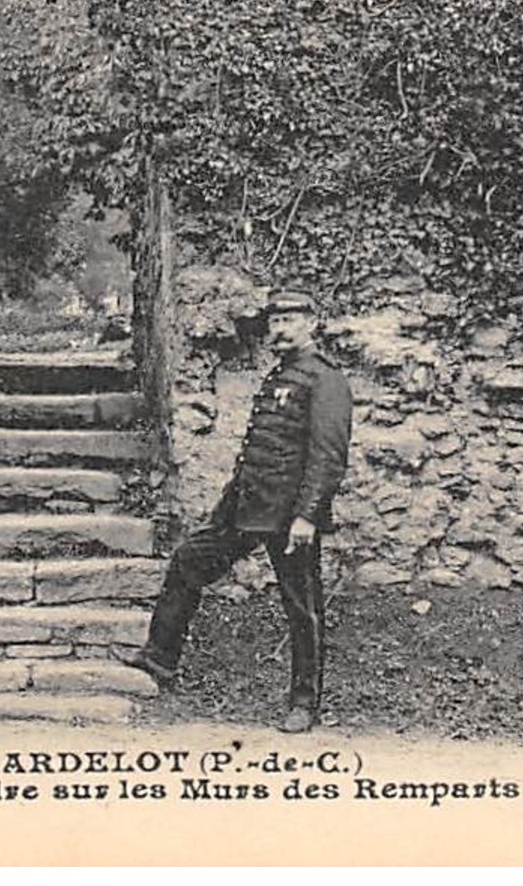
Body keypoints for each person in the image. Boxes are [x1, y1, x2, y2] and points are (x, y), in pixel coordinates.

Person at [116, 290, 353, 733]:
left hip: (288, 517)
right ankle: (159, 660)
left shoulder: (325, 381)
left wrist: (307, 516)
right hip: (246, 506)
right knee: (189, 559)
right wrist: (228, 502)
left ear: (312, 323)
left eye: (290, 319)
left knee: (302, 606)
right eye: (275, 320)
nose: (279, 328)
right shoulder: (280, 375)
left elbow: (328, 457)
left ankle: (304, 703)